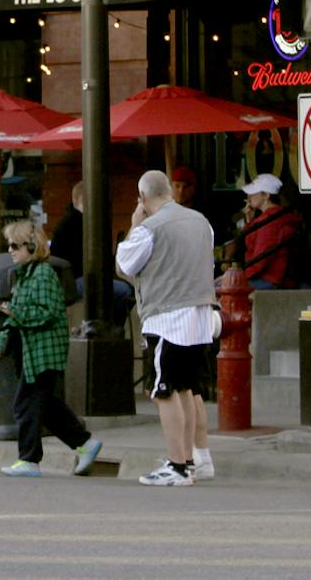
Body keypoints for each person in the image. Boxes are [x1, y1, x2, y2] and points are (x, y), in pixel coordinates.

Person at [118, 169, 218, 486]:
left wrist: (135, 222)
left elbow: (125, 265)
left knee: (165, 391)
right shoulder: (201, 222)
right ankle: (192, 460)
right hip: (200, 312)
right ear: (170, 192)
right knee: (188, 389)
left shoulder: (150, 228)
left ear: (143, 198)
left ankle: (177, 466)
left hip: (167, 316)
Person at [0, 219, 101, 478]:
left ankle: (29, 459)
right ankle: (84, 443)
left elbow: (47, 313)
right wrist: (1, 343)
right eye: (9, 245)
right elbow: (17, 316)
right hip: (33, 350)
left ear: (31, 247)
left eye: (15, 246)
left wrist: (15, 310)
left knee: (26, 404)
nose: (10, 250)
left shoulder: (42, 274)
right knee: (46, 406)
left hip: (43, 351)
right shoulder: (26, 275)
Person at [233, 174, 301, 288]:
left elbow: (260, 258)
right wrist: (249, 221)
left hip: (267, 278)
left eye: (253, 193)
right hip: (272, 277)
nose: (249, 197)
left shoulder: (269, 222)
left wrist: (243, 276)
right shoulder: (276, 216)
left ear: (266, 195)